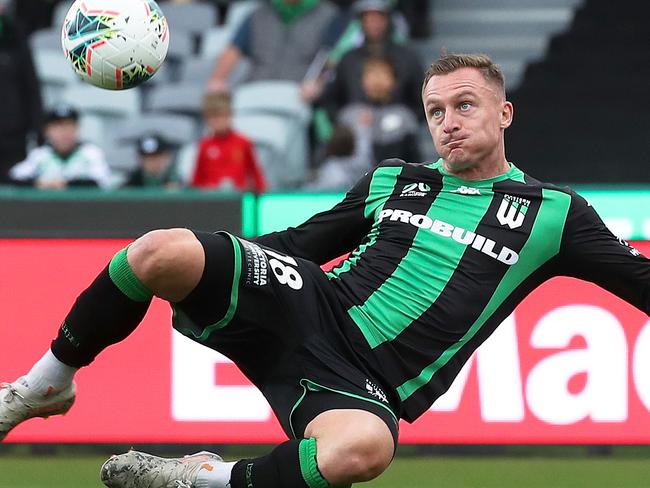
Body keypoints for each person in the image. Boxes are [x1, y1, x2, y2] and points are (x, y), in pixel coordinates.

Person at [1, 54, 649, 488]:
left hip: (366, 381)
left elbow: (637, 281)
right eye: (435, 111)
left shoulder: (554, 215)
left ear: (504, 113)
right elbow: (300, 244)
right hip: (310, 304)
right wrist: (223, 261)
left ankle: (199, 477)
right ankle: (44, 385)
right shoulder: (395, 180)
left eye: (465, 106)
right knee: (158, 251)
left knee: (363, 451)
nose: (448, 124)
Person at [206, 0, 338, 102]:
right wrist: (217, 80)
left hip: (298, 93)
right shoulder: (259, 13)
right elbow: (233, 50)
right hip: (256, 88)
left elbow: (331, 59)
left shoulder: (328, 15)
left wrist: (318, 85)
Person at [318, 0, 423, 121]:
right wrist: (343, 120)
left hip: (397, 122)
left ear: (388, 20)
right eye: (368, 18)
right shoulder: (349, 59)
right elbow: (331, 99)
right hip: (356, 122)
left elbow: (419, 98)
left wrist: (408, 116)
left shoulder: (407, 57)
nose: (374, 24)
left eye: (379, 18)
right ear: (361, 22)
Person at [338, 55, 420, 164]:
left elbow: (414, 159)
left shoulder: (405, 116)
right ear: (362, 80)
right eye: (371, 74)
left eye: (383, 73)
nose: (377, 80)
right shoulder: (348, 115)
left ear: (394, 80)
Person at [8, 104, 112, 189]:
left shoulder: (91, 153)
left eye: (69, 126)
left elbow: (101, 181)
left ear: (77, 129)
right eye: (58, 127)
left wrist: (65, 184)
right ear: (47, 131)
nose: (64, 133)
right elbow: (14, 178)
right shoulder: (40, 155)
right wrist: (39, 183)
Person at [0, 0, 43, 183]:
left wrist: (38, 129)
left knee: (14, 186)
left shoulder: (15, 35)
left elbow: (31, 87)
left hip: (13, 133)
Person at [191, 90, 267, 193]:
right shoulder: (204, 145)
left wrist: (261, 193)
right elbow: (197, 180)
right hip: (212, 200)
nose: (217, 121)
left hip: (237, 199)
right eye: (212, 117)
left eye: (220, 116)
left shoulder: (243, 142)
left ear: (229, 116)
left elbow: (256, 174)